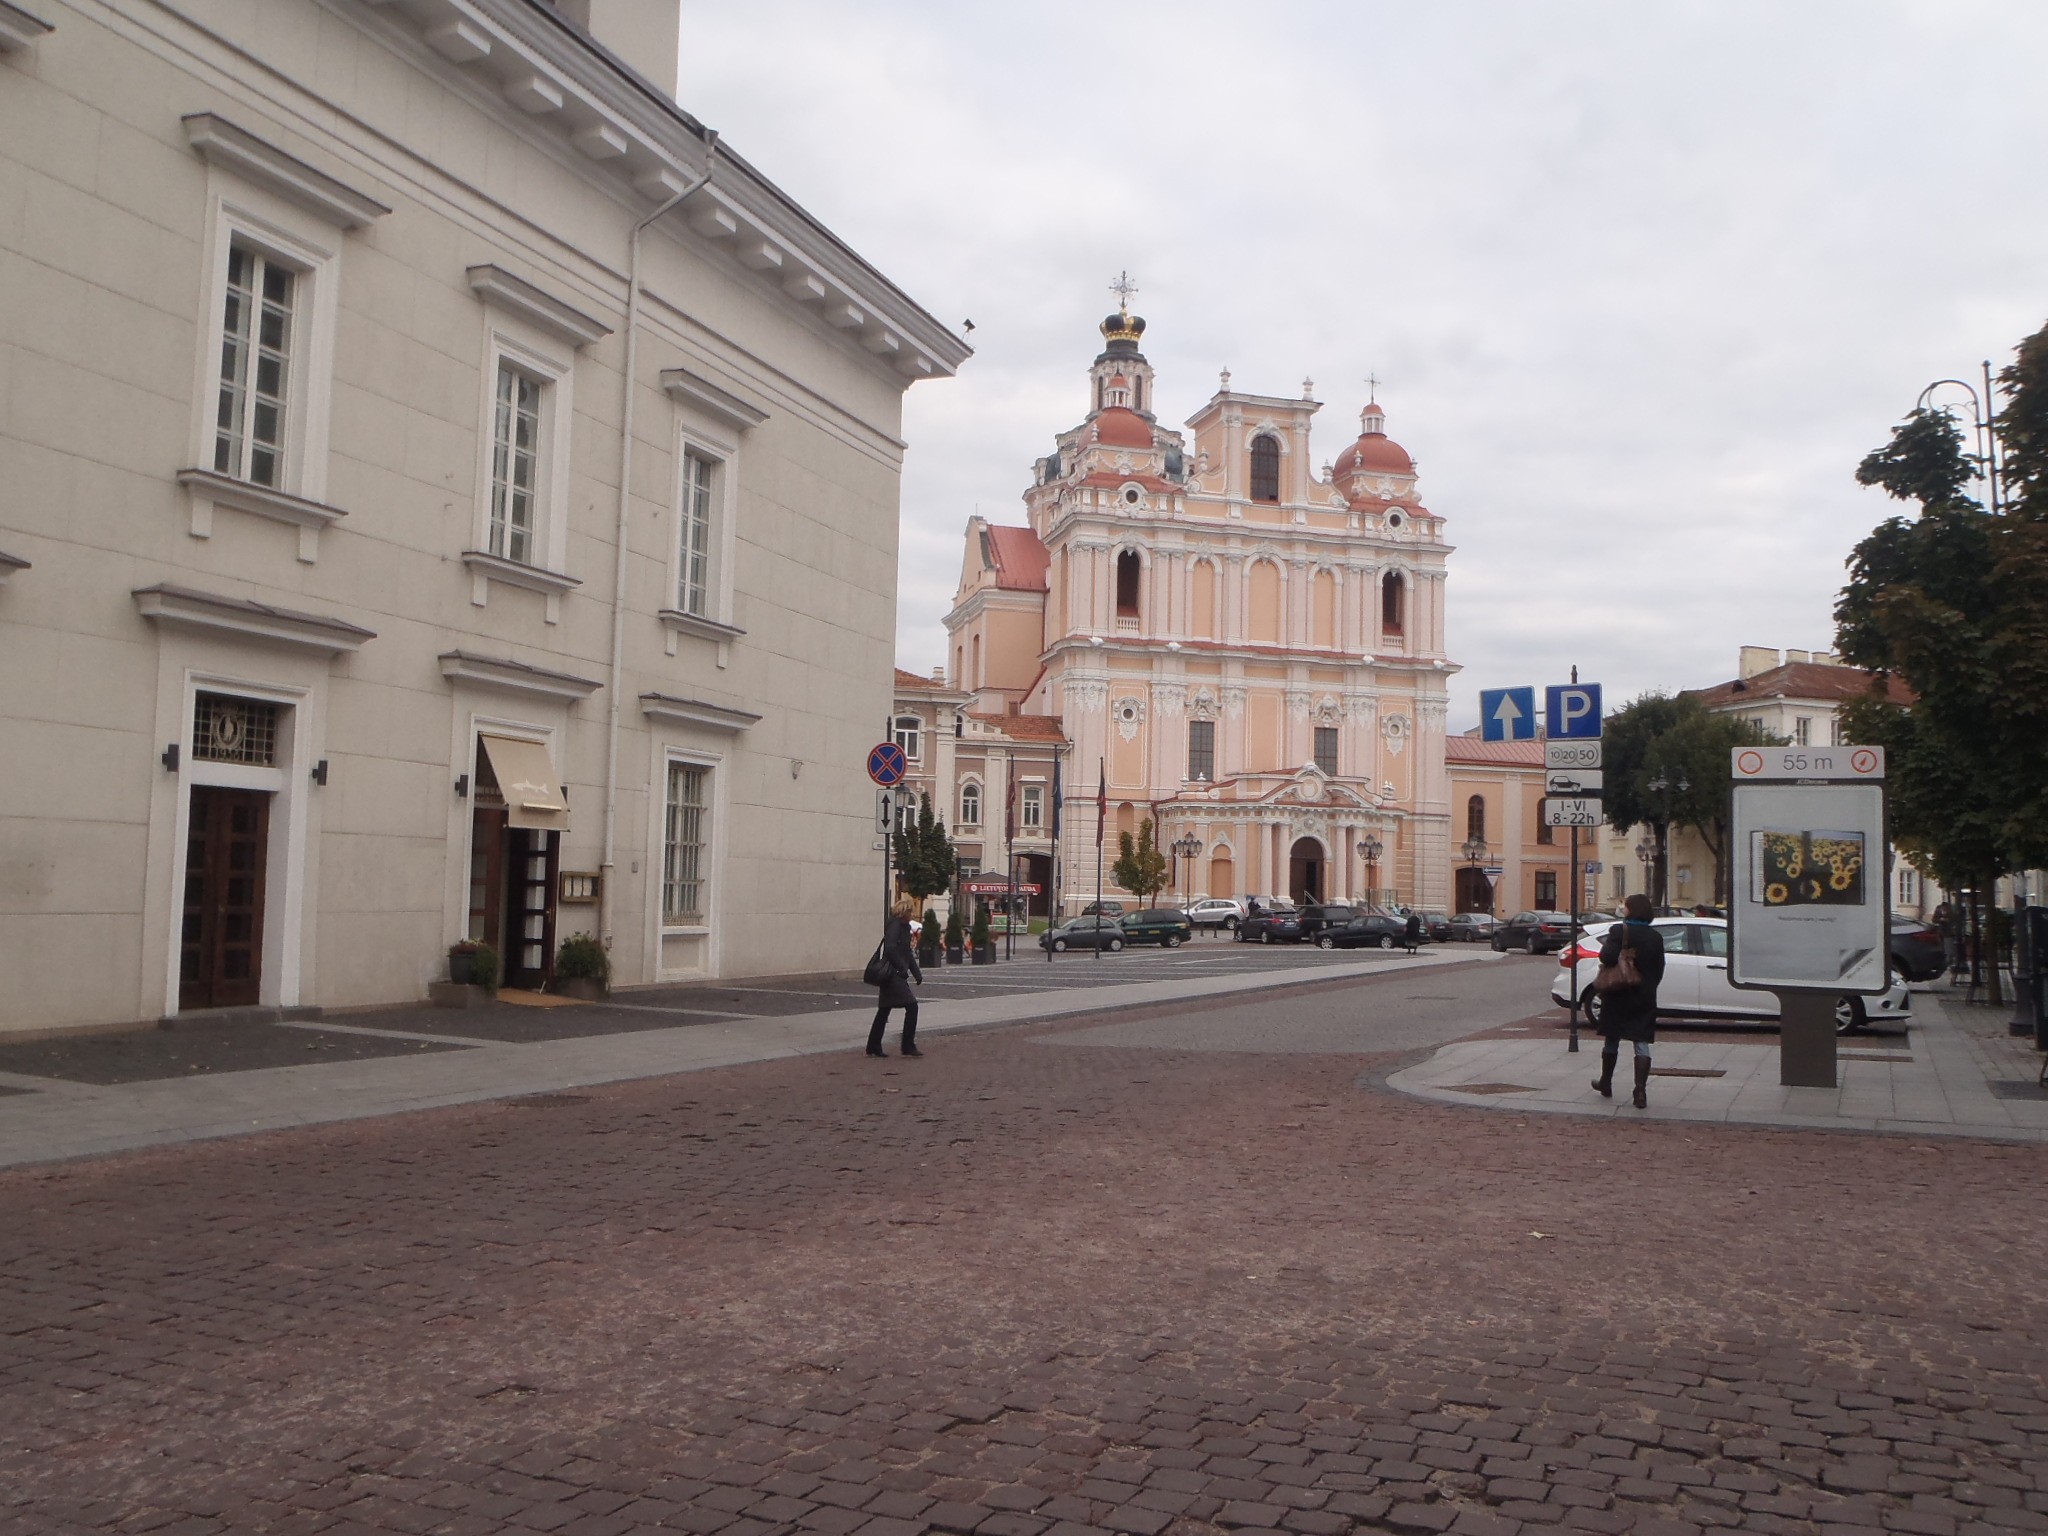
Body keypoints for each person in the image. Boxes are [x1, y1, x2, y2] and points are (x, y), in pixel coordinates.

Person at [1592, 893, 1666, 1108]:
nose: (1623, 909)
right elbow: (1659, 967)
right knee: (1641, 1041)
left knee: (1612, 1038)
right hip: (1643, 995)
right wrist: (1648, 986)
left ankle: (1606, 1082)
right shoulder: (1655, 937)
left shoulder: (1619, 931)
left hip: (1617, 992)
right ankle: (1640, 1090)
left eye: (1626, 906)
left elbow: (1606, 957)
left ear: (1632, 910)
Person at [866, 893, 924, 1058]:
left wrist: (916, 973)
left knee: (884, 1010)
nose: (912, 915)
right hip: (892, 974)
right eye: (910, 912)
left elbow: (907, 952)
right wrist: (901, 968)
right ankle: (907, 1045)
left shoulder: (903, 927)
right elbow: (890, 948)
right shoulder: (896, 926)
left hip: (894, 973)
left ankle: (873, 1046)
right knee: (912, 1006)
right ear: (904, 912)